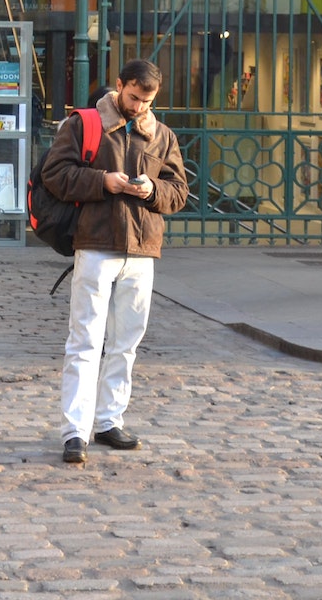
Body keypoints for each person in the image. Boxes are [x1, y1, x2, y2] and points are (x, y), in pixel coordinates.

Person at [40, 59, 189, 464]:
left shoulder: (161, 135)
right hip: (95, 243)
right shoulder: (83, 123)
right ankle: (75, 430)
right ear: (120, 86)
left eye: (148, 101)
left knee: (126, 343)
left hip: (142, 248)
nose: (140, 106)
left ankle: (109, 420)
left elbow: (178, 192)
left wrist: (151, 190)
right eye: (134, 97)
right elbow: (54, 173)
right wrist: (102, 181)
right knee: (85, 341)